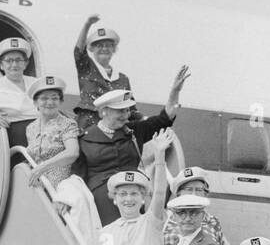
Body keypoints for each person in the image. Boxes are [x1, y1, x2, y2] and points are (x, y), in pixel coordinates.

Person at [73, 68, 189, 225]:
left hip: (133, 195)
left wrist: (174, 93)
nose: (125, 115)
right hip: (102, 199)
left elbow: (165, 118)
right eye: (120, 111)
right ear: (104, 112)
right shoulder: (84, 140)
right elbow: (77, 178)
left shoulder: (135, 131)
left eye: (127, 110)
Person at [96, 132, 171, 245]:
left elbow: (160, 192)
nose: (128, 199)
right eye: (122, 194)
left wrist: (159, 156)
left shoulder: (151, 221)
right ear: (115, 199)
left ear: (143, 197)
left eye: (134, 193)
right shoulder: (107, 231)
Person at [163, 166, 243, 245]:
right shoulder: (166, 221)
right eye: (189, 189)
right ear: (178, 194)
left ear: (205, 194)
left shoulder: (213, 222)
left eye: (198, 190)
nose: (193, 194)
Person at [72, 16, 141, 131]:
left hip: (115, 129)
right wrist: (87, 24)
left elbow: (131, 108)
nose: (104, 48)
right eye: (99, 45)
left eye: (108, 45)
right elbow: (78, 51)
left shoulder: (123, 78)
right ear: (91, 49)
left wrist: (148, 120)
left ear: (114, 49)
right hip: (88, 128)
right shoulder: (86, 69)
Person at [24, 75, 81, 189]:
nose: (50, 102)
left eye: (54, 98)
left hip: (60, 185)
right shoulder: (31, 128)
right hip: (36, 184)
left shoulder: (68, 124)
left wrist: (43, 167)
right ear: (35, 102)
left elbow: (72, 153)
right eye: (44, 98)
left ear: (61, 102)